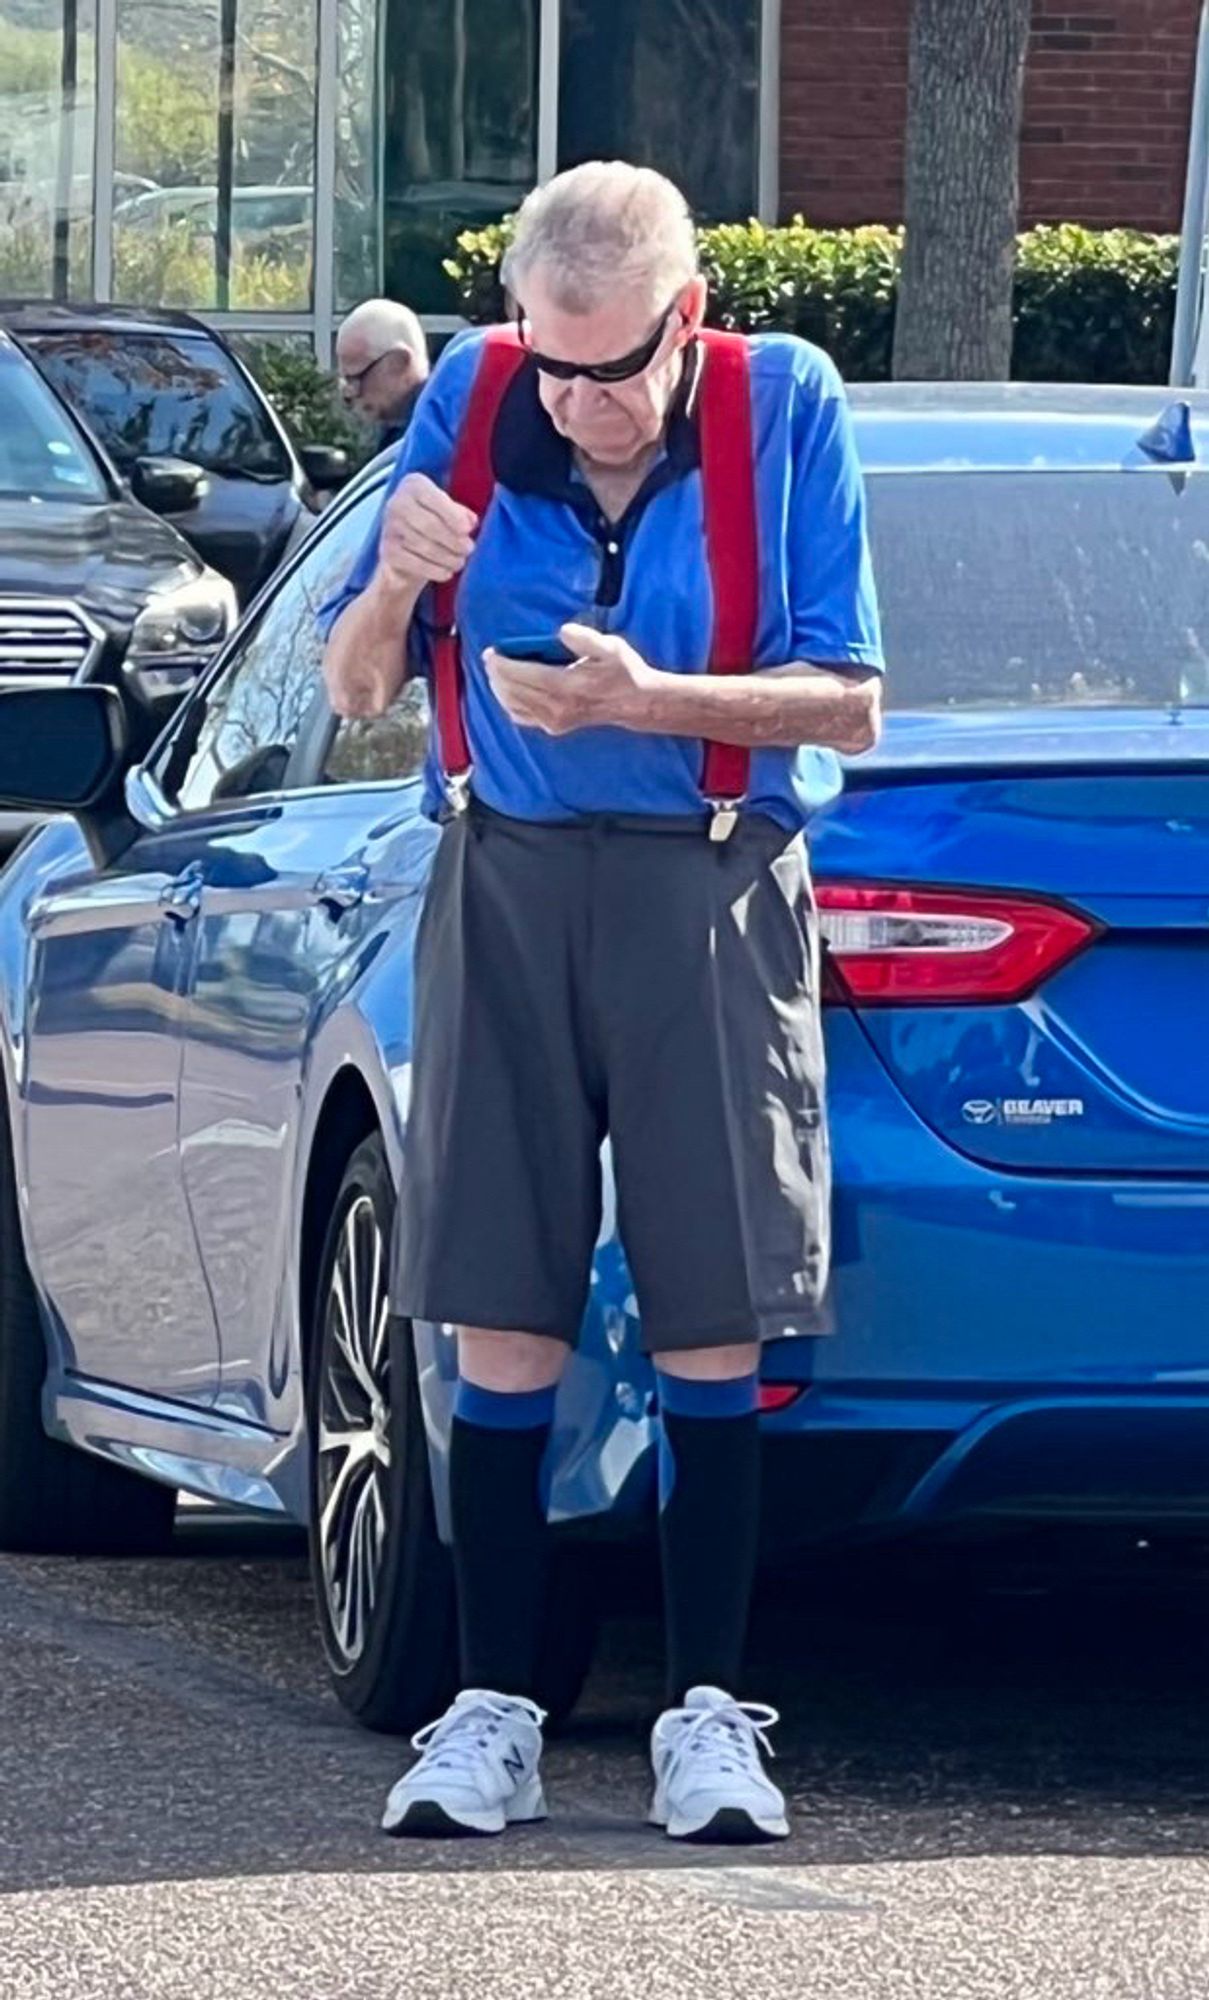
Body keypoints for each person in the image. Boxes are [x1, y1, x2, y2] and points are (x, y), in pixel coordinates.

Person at [321, 160, 883, 1846]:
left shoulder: (782, 409)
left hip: (704, 874)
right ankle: (488, 1709)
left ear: (685, 319)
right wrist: (392, 588)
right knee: (499, 1303)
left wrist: (656, 698)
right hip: (500, 872)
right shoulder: (477, 407)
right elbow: (355, 695)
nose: (579, 405)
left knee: (709, 1311)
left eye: (611, 368)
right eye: (548, 365)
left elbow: (847, 702)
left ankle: (707, 1718)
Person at [335, 297, 430, 450]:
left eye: (356, 377)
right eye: (345, 379)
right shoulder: (406, 428)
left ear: (398, 362)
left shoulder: (437, 434)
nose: (349, 393)